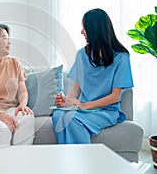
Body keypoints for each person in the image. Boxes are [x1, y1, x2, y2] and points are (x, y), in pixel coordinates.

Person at [52, 8, 133, 144]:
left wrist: (84, 105)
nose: (81, 32)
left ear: (95, 30)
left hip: (106, 111)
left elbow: (115, 96)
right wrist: (66, 101)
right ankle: (68, 159)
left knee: (73, 121)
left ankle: (81, 162)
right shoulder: (81, 55)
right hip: (83, 109)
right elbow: (76, 89)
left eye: (84, 28)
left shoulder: (121, 57)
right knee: (58, 115)